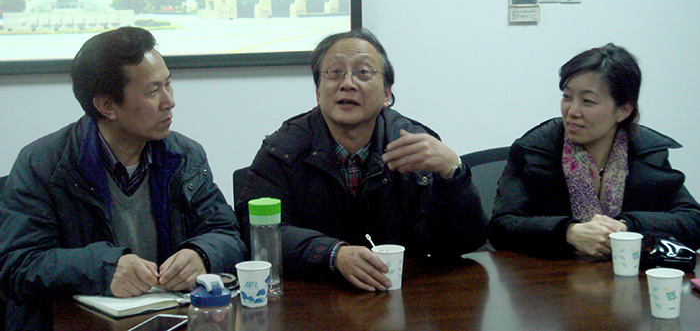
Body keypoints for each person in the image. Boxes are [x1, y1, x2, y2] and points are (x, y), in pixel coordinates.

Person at [0, 27, 248, 329]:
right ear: (107, 106)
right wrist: (103, 270)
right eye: (153, 91)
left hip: (170, 320)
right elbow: (17, 264)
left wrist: (202, 255)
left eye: (168, 84)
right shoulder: (43, 164)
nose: (169, 101)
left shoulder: (184, 155)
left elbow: (228, 234)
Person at [237, 28, 487, 292]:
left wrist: (453, 174)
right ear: (318, 92)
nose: (348, 83)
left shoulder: (414, 145)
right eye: (335, 72)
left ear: (387, 93)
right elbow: (258, 234)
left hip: (402, 293)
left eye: (363, 72)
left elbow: (461, 243)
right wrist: (333, 254)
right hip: (315, 295)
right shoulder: (283, 149)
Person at [489, 43, 700, 258]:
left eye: (587, 101)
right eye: (567, 97)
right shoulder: (534, 151)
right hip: (552, 275)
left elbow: (693, 220)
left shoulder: (646, 153)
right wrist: (568, 232)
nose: (572, 111)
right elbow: (501, 227)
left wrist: (627, 227)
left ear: (623, 110)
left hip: (628, 272)